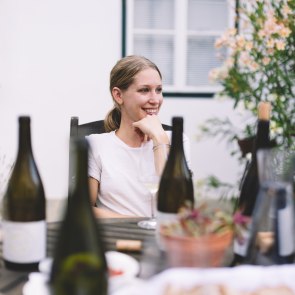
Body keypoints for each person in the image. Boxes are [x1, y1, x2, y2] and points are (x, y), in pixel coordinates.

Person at [86, 55, 191, 218]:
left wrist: (160, 140)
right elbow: (83, 209)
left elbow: (179, 209)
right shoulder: (95, 144)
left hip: (164, 239)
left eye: (159, 90)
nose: (155, 99)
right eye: (144, 90)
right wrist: (139, 224)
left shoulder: (178, 141)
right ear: (118, 95)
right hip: (117, 239)